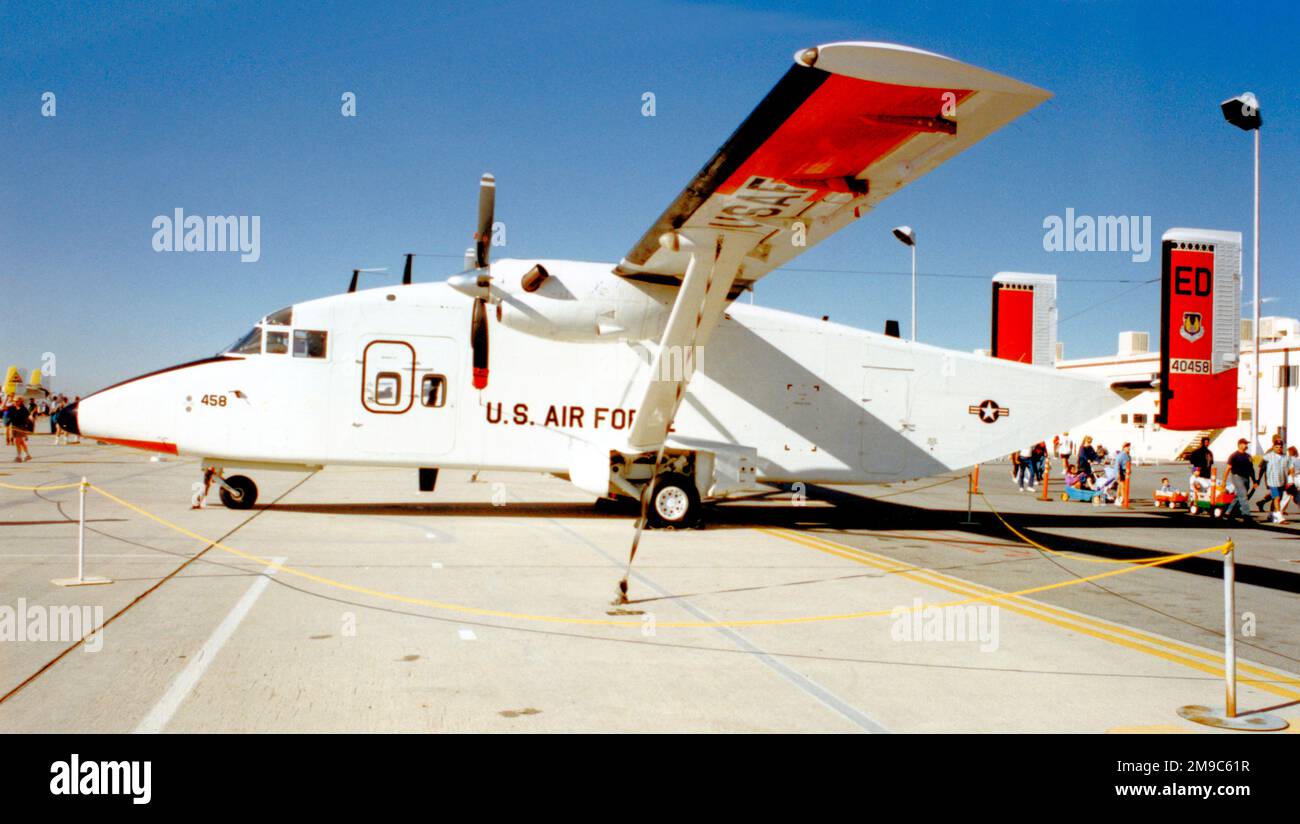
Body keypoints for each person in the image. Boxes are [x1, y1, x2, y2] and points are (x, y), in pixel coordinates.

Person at [1221, 438, 1256, 524]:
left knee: (1238, 496)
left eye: (1247, 444)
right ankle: (1246, 516)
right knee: (1243, 496)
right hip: (1237, 477)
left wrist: (1254, 480)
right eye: (1244, 444)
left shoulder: (1248, 456)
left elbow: (1251, 469)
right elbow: (1228, 469)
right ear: (1239, 444)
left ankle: (1228, 512)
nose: (1246, 446)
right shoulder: (1234, 456)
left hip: (1246, 478)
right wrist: (1224, 481)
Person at [1259, 441, 1290, 525]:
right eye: (1276, 447)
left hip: (1282, 481)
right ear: (1273, 447)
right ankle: (1279, 517)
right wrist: (1259, 479)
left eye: (1280, 447)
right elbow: (1261, 466)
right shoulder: (1268, 456)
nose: (1279, 448)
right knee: (1277, 498)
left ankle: (1271, 515)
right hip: (1272, 481)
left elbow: (1289, 469)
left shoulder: (1286, 457)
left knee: (1276, 499)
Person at [9, 397, 32, 463]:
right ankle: (27, 455)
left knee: (17, 441)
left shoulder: (24, 409)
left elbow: (27, 418)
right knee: (21, 442)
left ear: (21, 401)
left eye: (17, 401)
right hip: (14, 427)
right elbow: (10, 416)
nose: (16, 402)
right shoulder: (12, 408)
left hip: (21, 427)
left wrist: (27, 428)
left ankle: (19, 456)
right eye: (15, 401)